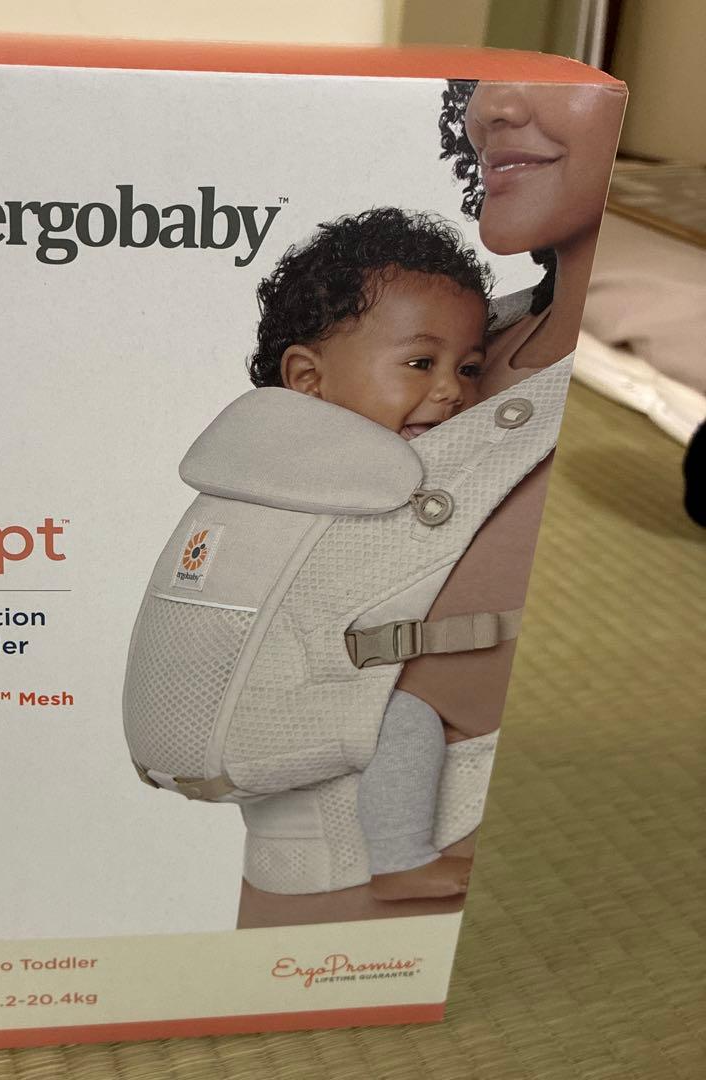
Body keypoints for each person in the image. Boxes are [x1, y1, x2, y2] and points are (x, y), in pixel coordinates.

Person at [237, 79, 624, 929]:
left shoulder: (620, 404)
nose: (490, 108)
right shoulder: (428, 331)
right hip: (292, 859)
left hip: (477, 884)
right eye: (478, 86)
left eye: (556, 78)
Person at [246, 207, 491, 899]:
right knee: (403, 721)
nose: (452, 390)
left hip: (288, 692)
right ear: (308, 379)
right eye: (420, 363)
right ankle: (401, 862)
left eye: (469, 368)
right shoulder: (319, 475)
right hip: (267, 698)